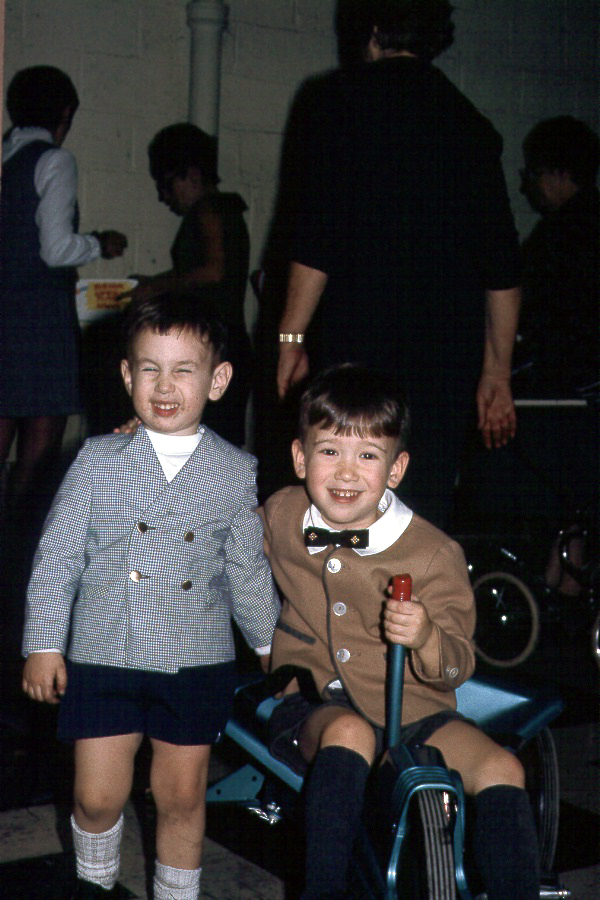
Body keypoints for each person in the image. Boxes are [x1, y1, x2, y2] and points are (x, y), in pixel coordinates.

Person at [21, 294, 281, 899]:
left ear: (218, 381)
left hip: (195, 657)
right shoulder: (98, 459)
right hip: (104, 652)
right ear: (126, 375)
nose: (165, 386)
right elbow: (58, 558)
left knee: (181, 799)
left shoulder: (234, 469)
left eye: (184, 370)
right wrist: (43, 644)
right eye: (149, 369)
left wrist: (269, 642)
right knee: (95, 798)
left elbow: (245, 568)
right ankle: (94, 885)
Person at [261, 364, 540, 900]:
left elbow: (458, 664)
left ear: (396, 469)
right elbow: (224, 537)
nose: (346, 472)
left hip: (416, 710)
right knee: (350, 733)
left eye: (368, 456)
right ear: (300, 457)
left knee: (502, 765)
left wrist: (428, 637)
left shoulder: (433, 553)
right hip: (316, 701)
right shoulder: (282, 512)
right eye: (329, 451)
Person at [275, 0, 521, 528]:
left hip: (357, 343)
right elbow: (502, 267)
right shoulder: (471, 122)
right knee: (420, 504)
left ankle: (340, 584)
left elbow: (316, 238)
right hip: (445, 356)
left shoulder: (337, 99)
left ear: (371, 30)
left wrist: (291, 338)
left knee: (342, 490)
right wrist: (496, 372)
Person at [0, 66, 127, 514]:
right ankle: (21, 541)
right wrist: (99, 244)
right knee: (40, 449)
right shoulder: (54, 160)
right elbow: (55, 250)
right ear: (66, 112)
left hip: (5, 314)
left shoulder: (7, 160)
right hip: (38, 316)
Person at [125, 123, 252, 447]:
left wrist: (156, 288)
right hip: (225, 340)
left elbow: (213, 271)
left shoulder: (208, 209)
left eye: (167, 184)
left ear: (192, 174)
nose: (164, 196)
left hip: (217, 342)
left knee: (209, 442)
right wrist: (155, 282)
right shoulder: (225, 209)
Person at [517, 115, 599, 397]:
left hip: (572, 382)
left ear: (562, 173)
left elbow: (534, 315)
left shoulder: (558, 235)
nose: (526, 186)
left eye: (533, 173)